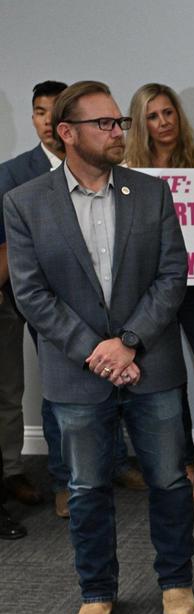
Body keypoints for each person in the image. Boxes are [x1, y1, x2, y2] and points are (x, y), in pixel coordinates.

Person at [4, 81, 194, 614]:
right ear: (68, 134)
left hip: (151, 364)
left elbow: (171, 275)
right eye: (105, 124)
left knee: (167, 481)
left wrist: (129, 340)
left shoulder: (151, 193)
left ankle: (176, 581)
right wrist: (96, 350)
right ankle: (97, 592)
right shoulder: (25, 201)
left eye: (119, 123)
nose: (119, 132)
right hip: (75, 373)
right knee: (86, 490)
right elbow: (31, 293)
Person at [125, 82, 194, 508]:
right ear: (141, 123)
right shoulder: (127, 172)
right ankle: (185, 467)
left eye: (168, 113)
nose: (163, 122)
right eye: (153, 116)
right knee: (166, 386)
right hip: (148, 293)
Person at [0, 80, 67, 515]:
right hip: (15, 290)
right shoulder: (11, 172)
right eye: (39, 111)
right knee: (10, 388)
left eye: (54, 112)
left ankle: (73, 474)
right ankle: (11, 471)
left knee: (69, 384)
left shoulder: (93, 165)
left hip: (69, 293)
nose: (46, 120)